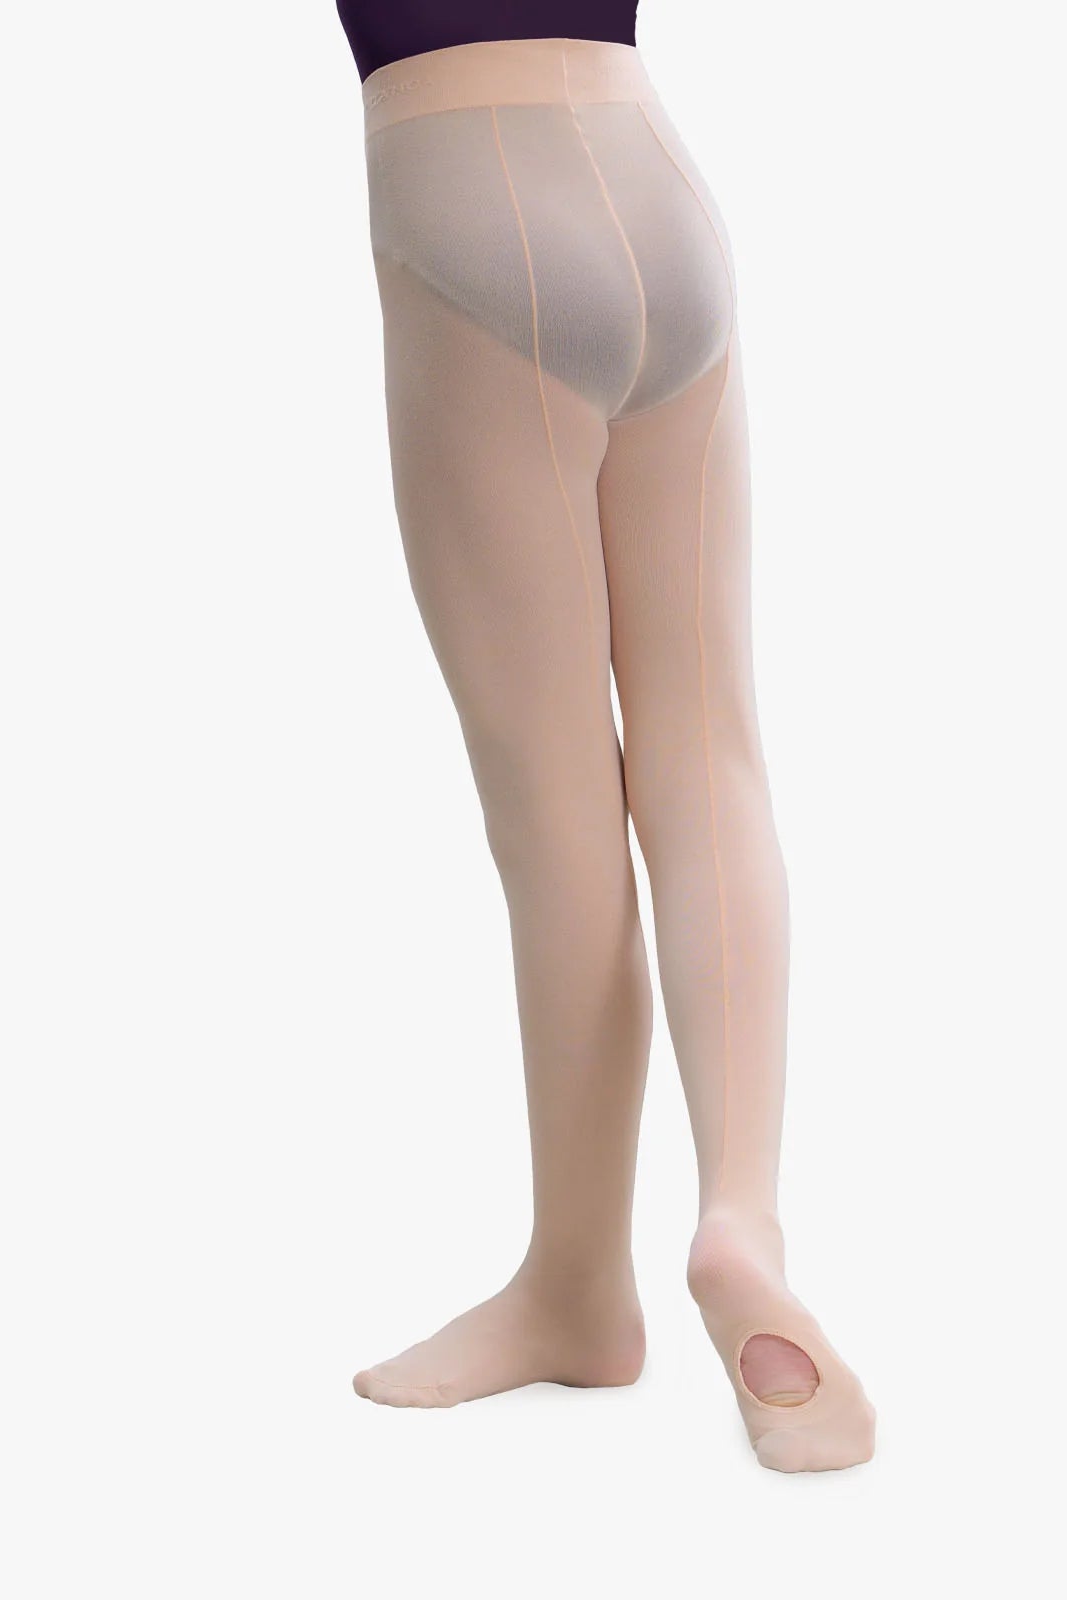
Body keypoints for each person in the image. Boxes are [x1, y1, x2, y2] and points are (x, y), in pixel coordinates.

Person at [340, 1, 875, 1472]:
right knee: (711, 746)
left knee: (558, 810)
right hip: (657, 182)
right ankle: (740, 1216)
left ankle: (576, 1283)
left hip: (465, 184)